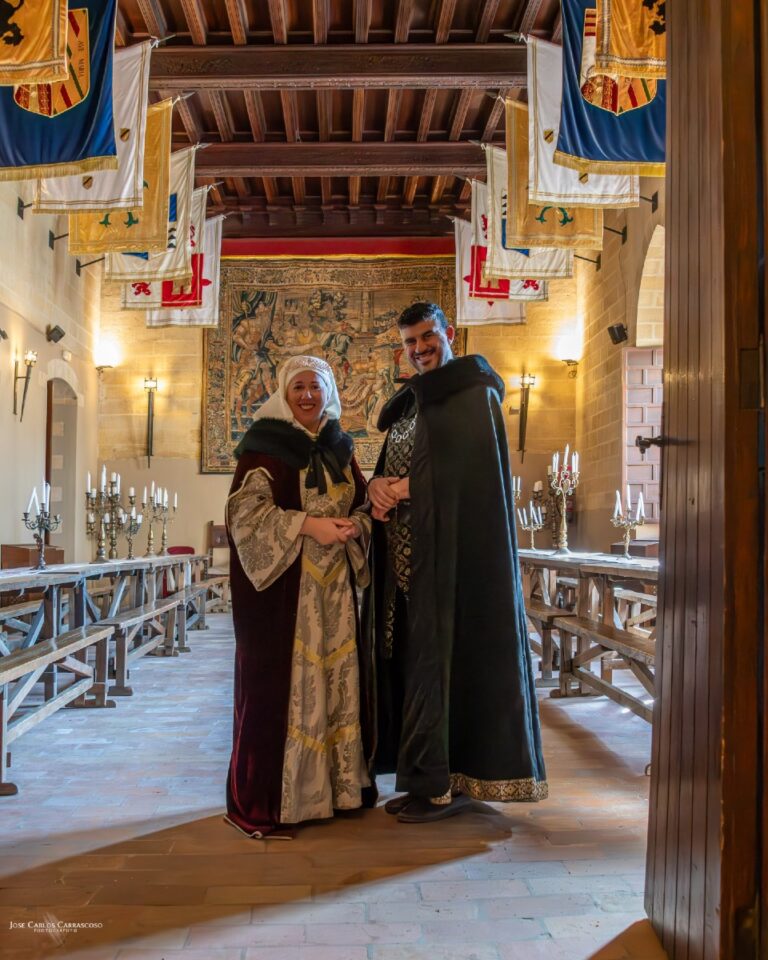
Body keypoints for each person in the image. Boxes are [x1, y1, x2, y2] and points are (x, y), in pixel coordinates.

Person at [363, 302, 547, 823]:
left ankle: (447, 783)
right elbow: (396, 467)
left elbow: (475, 483)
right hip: (405, 562)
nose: (419, 349)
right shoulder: (408, 404)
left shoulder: (472, 392)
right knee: (413, 669)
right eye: (409, 342)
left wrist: (405, 487)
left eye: (427, 337)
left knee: (443, 668)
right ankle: (422, 778)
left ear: (448, 334)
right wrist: (378, 487)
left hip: (451, 563)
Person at [225, 355, 376, 839]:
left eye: (315, 386)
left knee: (334, 682)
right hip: (286, 592)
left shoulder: (340, 445)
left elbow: (364, 503)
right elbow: (245, 516)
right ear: (284, 394)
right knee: (289, 688)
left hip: (335, 594)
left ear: (328, 392)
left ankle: (340, 790)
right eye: (299, 388)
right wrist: (308, 525)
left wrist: (357, 525)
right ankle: (287, 800)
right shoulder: (265, 445)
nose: (308, 395)